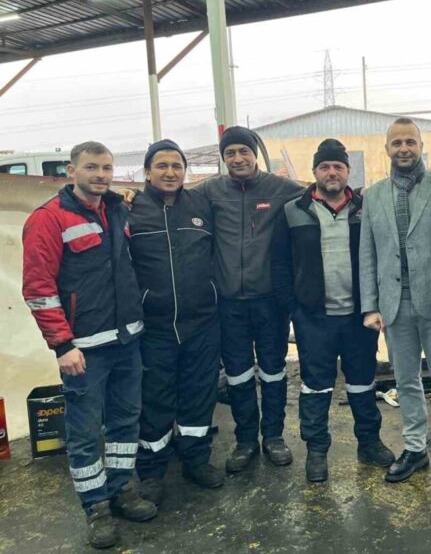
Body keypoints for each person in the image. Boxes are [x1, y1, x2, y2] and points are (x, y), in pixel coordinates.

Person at [22, 141, 155, 549]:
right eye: (92, 167)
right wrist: (62, 345)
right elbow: (39, 289)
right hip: (83, 350)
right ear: (70, 171)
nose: (101, 174)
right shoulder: (48, 219)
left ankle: (121, 489)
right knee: (82, 433)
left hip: (127, 339)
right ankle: (95, 507)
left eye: (107, 167)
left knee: (124, 423)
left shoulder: (117, 209)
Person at [359, 118, 431, 489]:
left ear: (421, 146)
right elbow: (368, 255)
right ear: (386, 149)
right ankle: (415, 447)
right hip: (393, 305)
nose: (403, 148)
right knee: (406, 381)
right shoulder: (372, 195)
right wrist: (370, 306)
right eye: (396, 143)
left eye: (410, 141)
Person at [278, 139, 395, 483]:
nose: (332, 172)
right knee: (316, 386)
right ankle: (316, 451)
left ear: (348, 171)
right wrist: (294, 309)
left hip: (360, 316)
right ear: (315, 172)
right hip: (314, 318)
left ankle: (369, 442)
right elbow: (280, 263)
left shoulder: (365, 207)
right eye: (325, 167)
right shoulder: (293, 210)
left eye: (338, 167)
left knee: (362, 382)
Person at [198, 127, 304, 472]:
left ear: (255, 153)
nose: (238, 158)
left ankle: (273, 437)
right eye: (230, 153)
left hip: (270, 302)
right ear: (223, 157)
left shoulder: (280, 188)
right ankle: (245, 441)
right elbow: (169, 197)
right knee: (239, 374)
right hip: (229, 303)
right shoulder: (210, 191)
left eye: (244, 151)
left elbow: (318, 194)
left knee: (273, 372)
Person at [128, 139, 224, 505]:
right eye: (162, 166)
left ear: (185, 171)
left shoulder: (202, 206)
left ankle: (196, 459)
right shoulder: (130, 209)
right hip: (154, 326)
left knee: (199, 394)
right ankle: (151, 471)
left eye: (177, 166)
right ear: (147, 172)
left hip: (201, 321)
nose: (170, 172)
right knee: (155, 398)